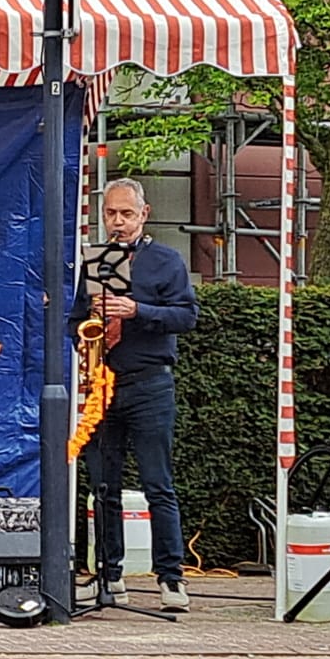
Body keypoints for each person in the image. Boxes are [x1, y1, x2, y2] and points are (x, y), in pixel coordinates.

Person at [67, 177, 198, 613]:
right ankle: (109, 573)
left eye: (126, 213)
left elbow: (186, 315)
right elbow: (75, 320)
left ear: (144, 214)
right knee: (103, 484)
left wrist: (137, 310)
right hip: (103, 382)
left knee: (157, 483)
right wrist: (86, 337)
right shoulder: (93, 263)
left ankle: (171, 578)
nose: (117, 221)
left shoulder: (165, 260)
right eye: (110, 213)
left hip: (148, 381)